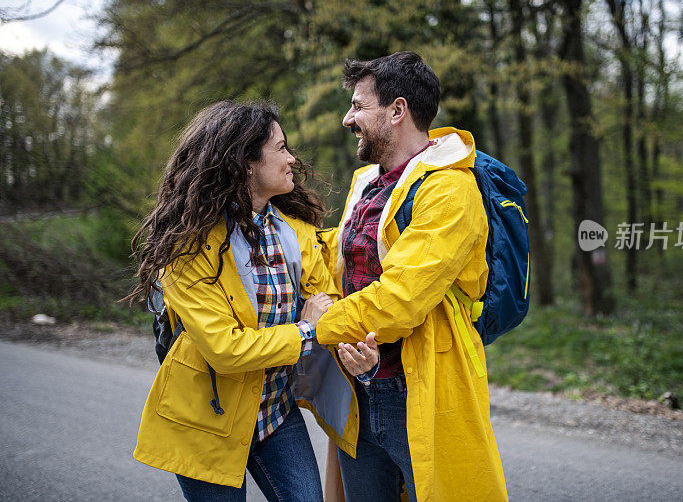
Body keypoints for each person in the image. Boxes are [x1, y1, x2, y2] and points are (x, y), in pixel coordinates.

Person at [128, 100, 375, 501]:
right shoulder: (187, 248)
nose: (292, 158)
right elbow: (225, 349)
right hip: (204, 419)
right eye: (280, 148)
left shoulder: (294, 231)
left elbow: (323, 296)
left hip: (274, 413)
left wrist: (348, 343)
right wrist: (307, 330)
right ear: (245, 162)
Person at [315, 52, 509, 501]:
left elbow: (400, 299)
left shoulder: (449, 190)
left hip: (419, 386)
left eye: (359, 106)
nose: (348, 119)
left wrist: (315, 328)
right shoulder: (366, 182)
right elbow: (336, 262)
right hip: (358, 385)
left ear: (397, 111)